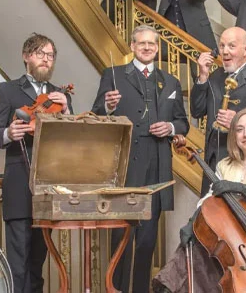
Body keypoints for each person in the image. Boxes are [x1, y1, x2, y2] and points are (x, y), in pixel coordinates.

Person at [91, 25, 189, 293]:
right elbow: (96, 114)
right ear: (132, 46)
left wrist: (169, 128)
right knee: (121, 237)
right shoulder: (113, 75)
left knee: (147, 241)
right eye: (141, 43)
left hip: (157, 164)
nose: (147, 47)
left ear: (158, 48)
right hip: (125, 165)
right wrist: (108, 106)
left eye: (152, 44)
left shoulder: (170, 82)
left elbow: (183, 122)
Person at [152, 108, 246, 293]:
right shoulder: (225, 165)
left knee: (229, 259)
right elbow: (209, 200)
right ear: (234, 135)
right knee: (196, 245)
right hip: (231, 232)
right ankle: (167, 288)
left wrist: (242, 190)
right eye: (240, 129)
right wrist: (193, 221)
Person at [0, 33, 73, 293]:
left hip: (50, 187)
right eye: (40, 54)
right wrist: (9, 134)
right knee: (18, 263)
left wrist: (67, 110)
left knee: (38, 261)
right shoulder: (6, 90)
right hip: (20, 185)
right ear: (26, 57)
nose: (46, 59)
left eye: (50, 55)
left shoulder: (60, 95)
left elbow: (74, 137)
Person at [190, 27, 246, 196]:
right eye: (222, 46)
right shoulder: (214, 76)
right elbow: (197, 111)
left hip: (244, 165)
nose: (225, 51)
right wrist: (202, 76)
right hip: (213, 163)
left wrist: (237, 123)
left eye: (231, 46)